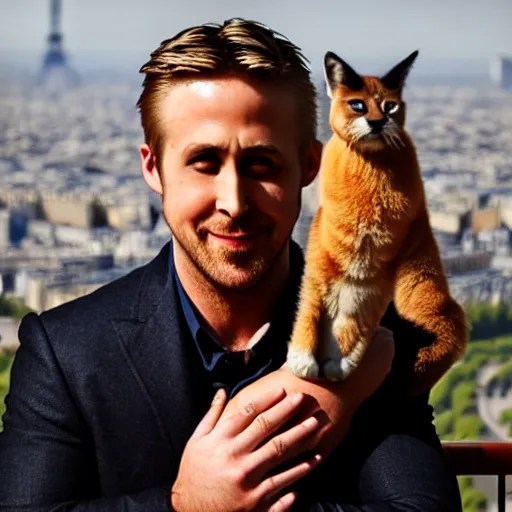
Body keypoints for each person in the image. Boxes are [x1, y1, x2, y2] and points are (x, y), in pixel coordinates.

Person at [0, 18, 462, 512]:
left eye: (261, 164)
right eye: (204, 162)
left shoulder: (380, 333)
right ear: (153, 168)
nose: (234, 202)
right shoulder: (63, 351)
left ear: (310, 166)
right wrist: (188, 505)